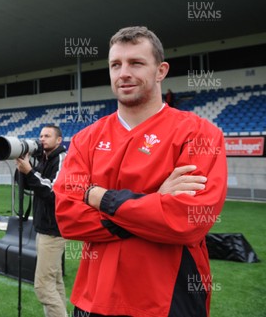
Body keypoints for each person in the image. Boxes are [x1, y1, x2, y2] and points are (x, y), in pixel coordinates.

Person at [54, 26, 227, 317]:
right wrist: (154, 199)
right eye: (115, 65)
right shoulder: (86, 139)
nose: (123, 73)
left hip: (170, 299)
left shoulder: (199, 134)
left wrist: (101, 198)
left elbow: (187, 220)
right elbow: (68, 219)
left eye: (136, 63)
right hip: (93, 298)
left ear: (161, 71)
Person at [15, 125, 67, 317]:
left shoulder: (62, 158)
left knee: (43, 286)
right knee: (55, 281)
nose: (42, 139)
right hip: (43, 228)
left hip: (54, 230)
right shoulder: (44, 159)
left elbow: (53, 191)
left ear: (59, 140)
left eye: (47, 136)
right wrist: (22, 167)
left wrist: (29, 171)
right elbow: (29, 184)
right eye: (41, 135)